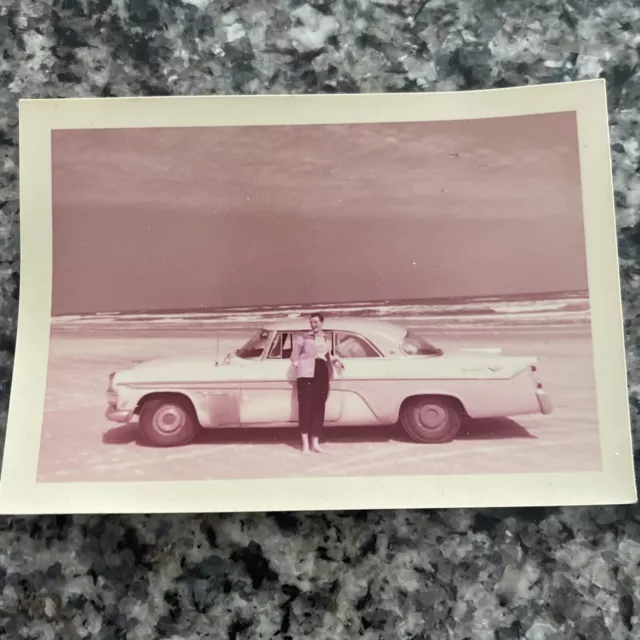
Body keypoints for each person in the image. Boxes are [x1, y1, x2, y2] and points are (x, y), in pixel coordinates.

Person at [291, 313, 343, 454]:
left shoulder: (326, 337)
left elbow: (326, 354)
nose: (313, 325)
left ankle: (315, 443)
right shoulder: (303, 336)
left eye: (316, 322)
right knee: (305, 407)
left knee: (319, 406)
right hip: (306, 374)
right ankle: (305, 445)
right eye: (311, 322)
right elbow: (295, 354)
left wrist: (335, 360)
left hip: (321, 372)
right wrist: (298, 365)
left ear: (322, 322)